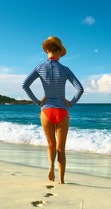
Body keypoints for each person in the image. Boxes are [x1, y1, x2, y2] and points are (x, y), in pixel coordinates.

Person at [22, 36, 84, 184]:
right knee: (61, 149)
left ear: (47, 50)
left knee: (51, 145)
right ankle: (61, 181)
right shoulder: (65, 69)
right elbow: (80, 89)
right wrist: (70, 103)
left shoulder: (39, 67)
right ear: (58, 51)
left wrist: (38, 102)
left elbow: (25, 85)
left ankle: (50, 167)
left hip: (46, 111)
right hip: (62, 111)